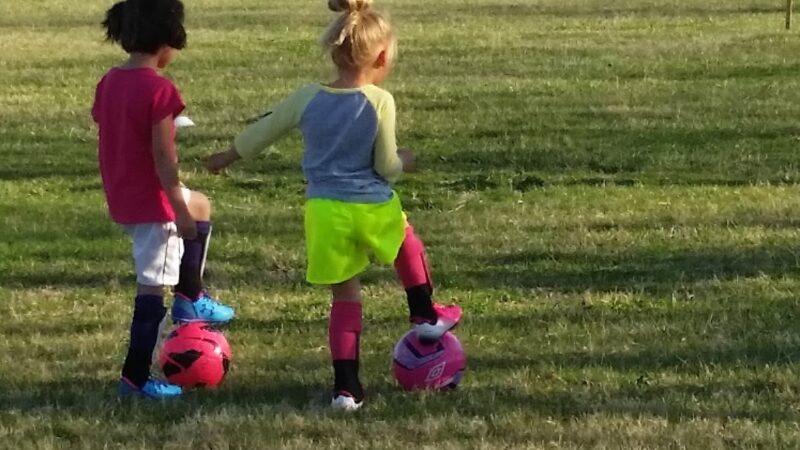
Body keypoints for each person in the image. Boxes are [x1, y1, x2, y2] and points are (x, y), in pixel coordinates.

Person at [205, 0, 461, 411]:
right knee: (406, 241)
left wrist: (226, 156)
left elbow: (262, 132)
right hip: (373, 207)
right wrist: (407, 162)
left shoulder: (307, 98)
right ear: (381, 56)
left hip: (325, 211)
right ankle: (425, 313)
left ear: (335, 52)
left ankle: (346, 389)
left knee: (345, 299)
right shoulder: (379, 101)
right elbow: (386, 166)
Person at [92, 0, 235, 399]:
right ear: (168, 40)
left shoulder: (109, 81)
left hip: (124, 193)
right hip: (154, 204)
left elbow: (112, 127)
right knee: (151, 289)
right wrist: (177, 208)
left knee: (202, 203)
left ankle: (191, 298)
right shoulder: (160, 89)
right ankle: (135, 379)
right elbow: (163, 157)